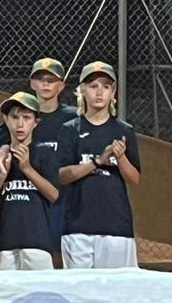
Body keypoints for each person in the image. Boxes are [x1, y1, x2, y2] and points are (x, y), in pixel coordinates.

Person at [57, 61, 141, 268]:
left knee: (117, 291)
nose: (99, 92)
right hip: (78, 226)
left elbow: (134, 179)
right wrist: (98, 161)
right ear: (82, 91)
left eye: (105, 86)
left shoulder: (124, 130)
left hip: (116, 226)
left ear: (113, 92)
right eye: (93, 86)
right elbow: (62, 175)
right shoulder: (70, 130)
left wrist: (120, 158)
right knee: (79, 293)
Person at [0, 92, 60, 270]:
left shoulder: (45, 153)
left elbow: (55, 195)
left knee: (40, 295)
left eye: (26, 118)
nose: (20, 124)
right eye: (14, 117)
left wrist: (27, 168)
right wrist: (1, 174)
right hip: (5, 243)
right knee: (6, 296)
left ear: (36, 122)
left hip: (38, 243)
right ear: (6, 119)